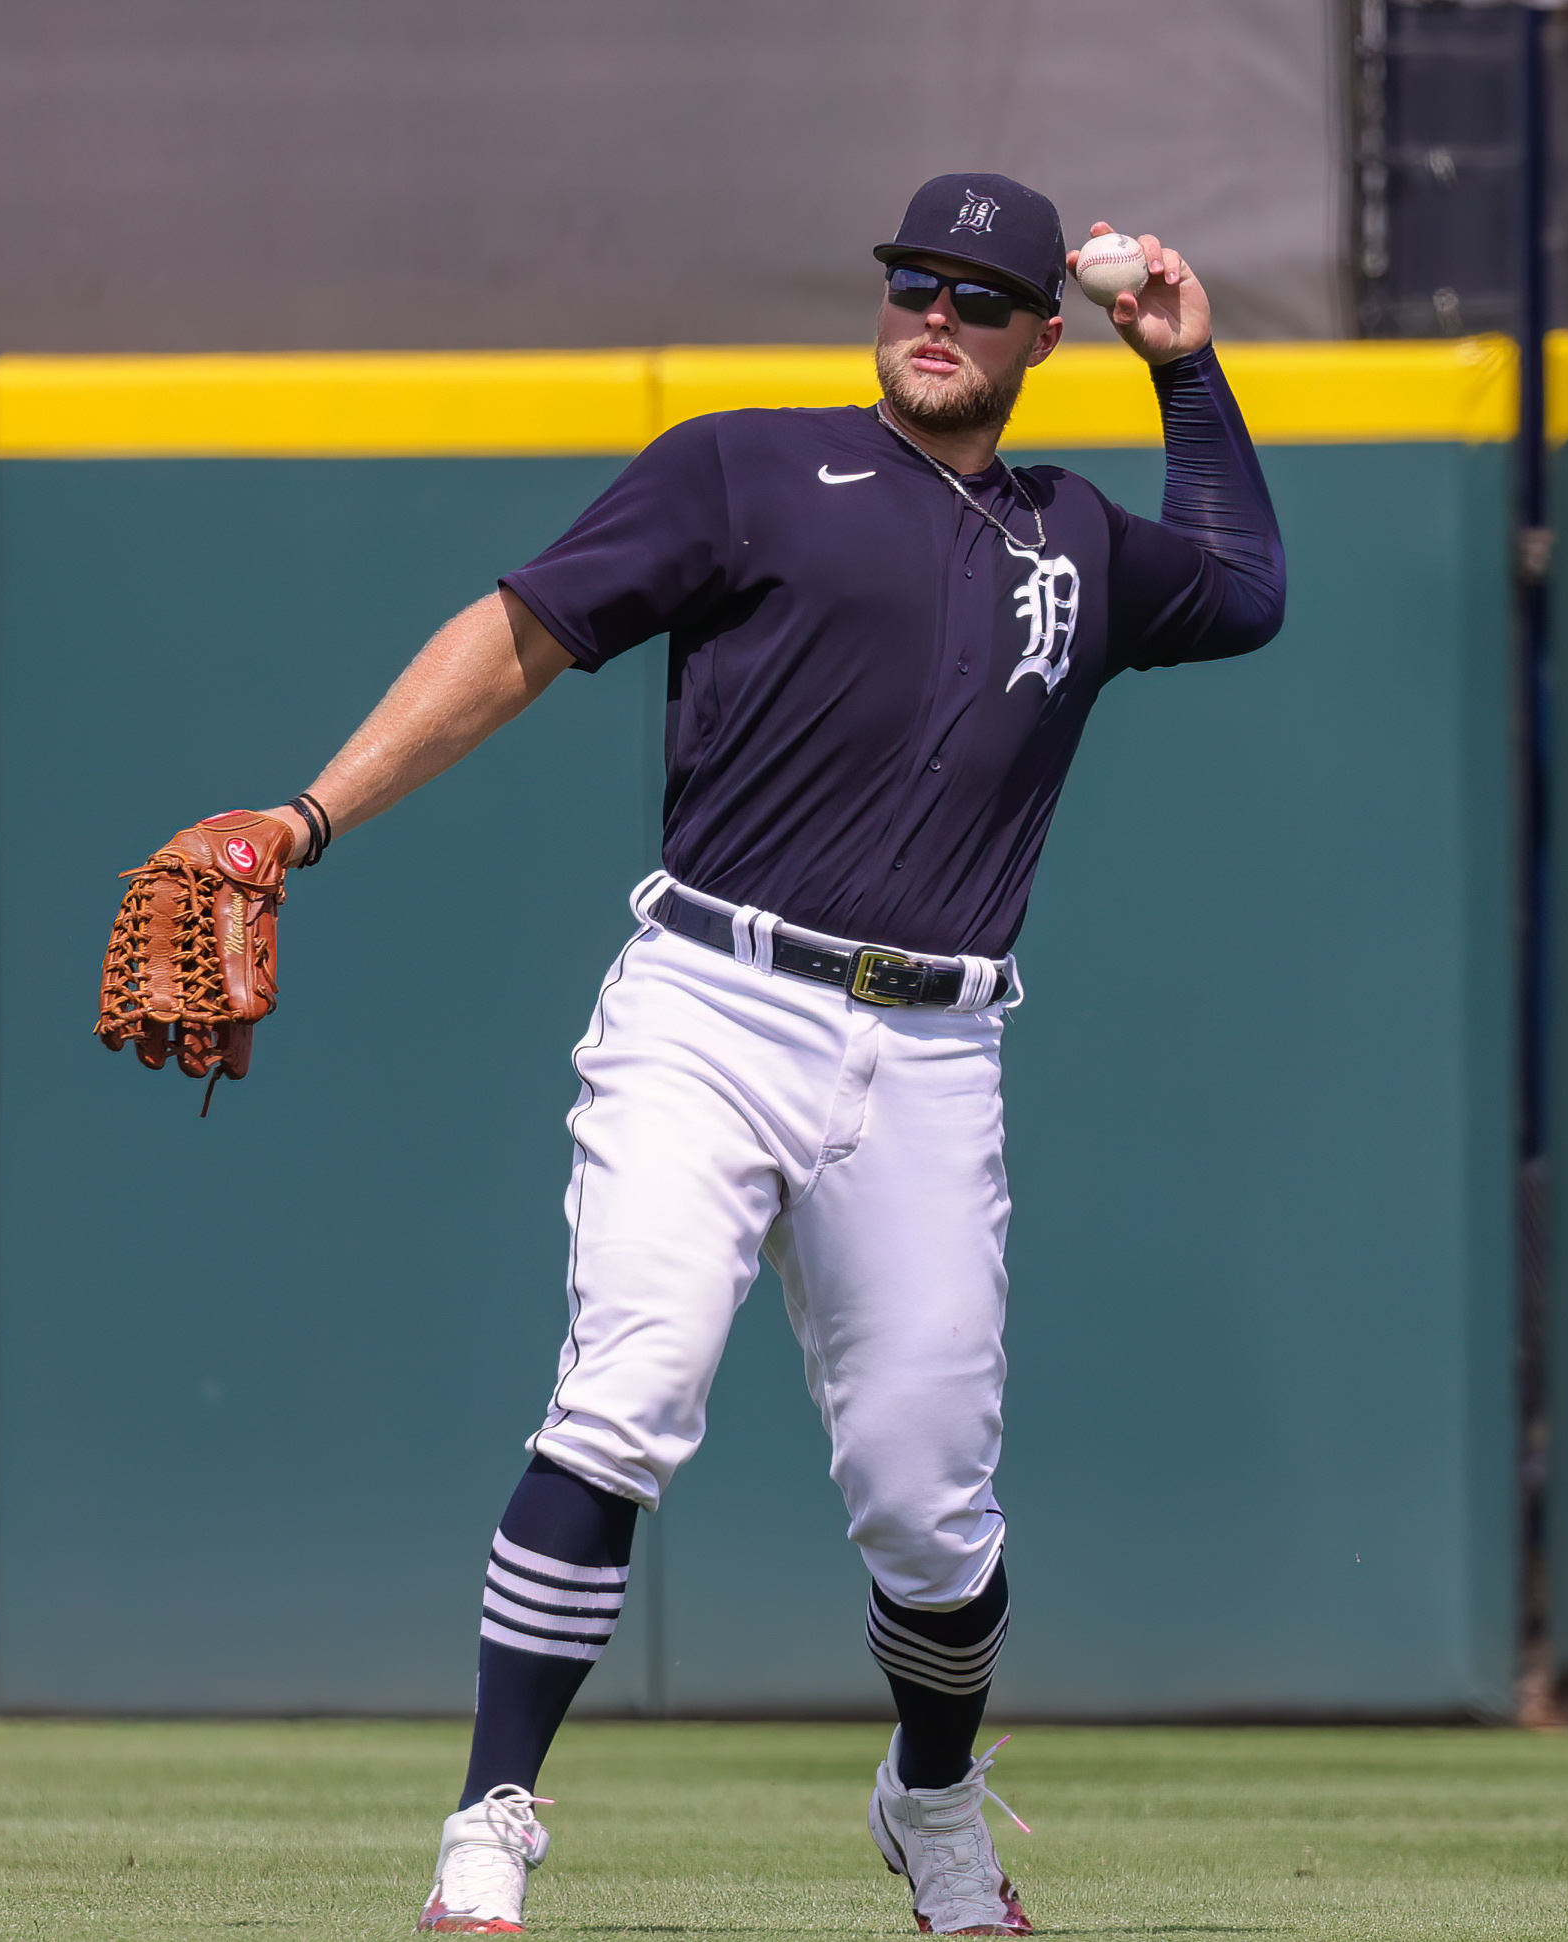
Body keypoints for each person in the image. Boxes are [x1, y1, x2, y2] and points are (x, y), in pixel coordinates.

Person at [237, 171, 1283, 1935]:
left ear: (1041, 331)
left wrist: (1185, 367)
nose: (932, 314)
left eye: (976, 293)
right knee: (626, 1389)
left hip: (938, 1052)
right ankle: (490, 1816)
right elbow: (520, 639)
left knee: (931, 1512)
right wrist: (306, 817)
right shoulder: (743, 469)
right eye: (910, 282)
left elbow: (1248, 587)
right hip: (710, 1004)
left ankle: (931, 1803)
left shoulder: (1077, 541)